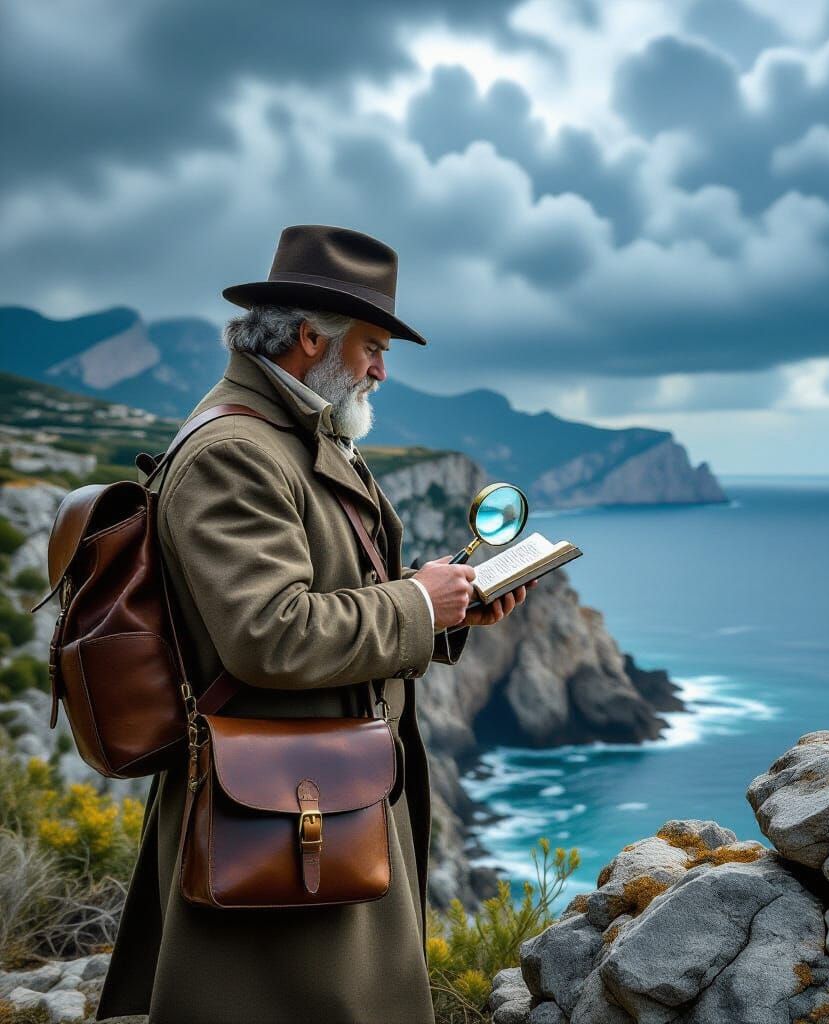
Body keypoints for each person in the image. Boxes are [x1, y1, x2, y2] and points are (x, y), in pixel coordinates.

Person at [96, 225, 533, 1024]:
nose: (381, 369)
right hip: (273, 808)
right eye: (372, 346)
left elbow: (327, 592)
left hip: (318, 795)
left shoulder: (294, 437)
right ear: (309, 339)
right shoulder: (238, 451)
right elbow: (268, 633)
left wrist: (443, 611)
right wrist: (412, 604)